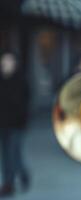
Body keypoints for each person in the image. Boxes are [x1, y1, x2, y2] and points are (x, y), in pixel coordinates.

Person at [0, 52, 31, 196]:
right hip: (3, 124)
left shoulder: (20, 80)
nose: (5, 63)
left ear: (15, 63)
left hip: (17, 125)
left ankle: (8, 185)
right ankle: (23, 175)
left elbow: (23, 103)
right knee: (8, 155)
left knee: (12, 154)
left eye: (8, 61)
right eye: (3, 61)